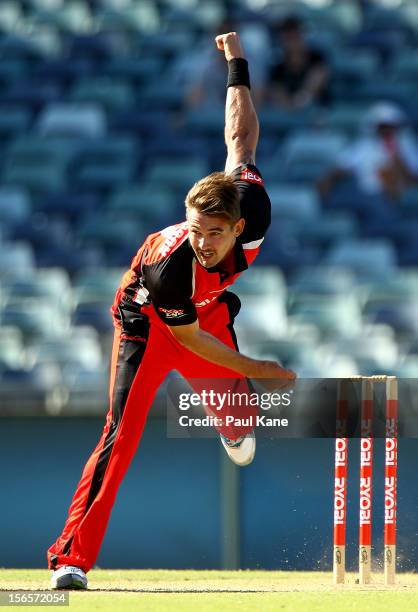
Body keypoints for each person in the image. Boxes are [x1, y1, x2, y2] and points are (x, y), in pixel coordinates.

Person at [47, 31, 296, 591]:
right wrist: (259, 368)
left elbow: (240, 135)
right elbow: (190, 343)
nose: (201, 240)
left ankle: (231, 424)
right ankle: (71, 559)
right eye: (194, 227)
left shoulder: (251, 203)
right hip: (149, 322)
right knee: (122, 433)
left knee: (241, 417)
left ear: (239, 226)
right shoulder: (172, 262)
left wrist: (237, 63)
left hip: (205, 313)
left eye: (213, 232)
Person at [318, 102, 418, 202]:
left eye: (390, 126)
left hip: (402, 196)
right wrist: (327, 182)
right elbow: (341, 167)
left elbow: (413, 175)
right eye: (382, 126)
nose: (387, 130)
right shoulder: (363, 146)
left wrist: (397, 160)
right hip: (370, 197)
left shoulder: (406, 145)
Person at [266, 15, 331, 110]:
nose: (292, 41)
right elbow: (277, 93)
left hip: (318, 112)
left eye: (295, 35)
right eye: (288, 37)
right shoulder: (277, 67)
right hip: (287, 114)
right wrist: (290, 105)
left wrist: (302, 98)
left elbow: (318, 80)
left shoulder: (317, 58)